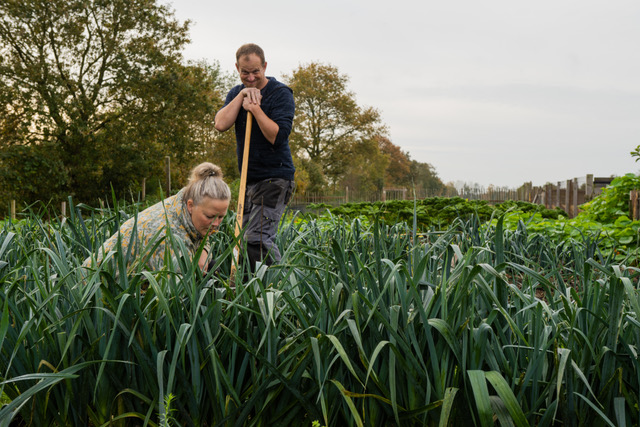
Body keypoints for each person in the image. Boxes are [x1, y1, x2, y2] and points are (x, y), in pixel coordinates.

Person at [214, 43, 295, 270]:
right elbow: (220, 124)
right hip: (249, 180)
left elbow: (276, 137)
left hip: (275, 177)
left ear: (265, 66)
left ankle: (277, 289)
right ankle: (247, 290)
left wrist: (255, 109)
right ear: (237, 69)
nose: (250, 77)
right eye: (245, 72)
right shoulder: (236, 93)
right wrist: (241, 96)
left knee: (258, 239)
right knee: (243, 240)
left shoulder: (280, 94)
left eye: (255, 71)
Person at [85, 162, 231, 272]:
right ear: (190, 205)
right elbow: (172, 296)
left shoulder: (186, 202)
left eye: (221, 217)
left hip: (149, 274)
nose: (216, 224)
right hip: (100, 291)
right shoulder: (167, 235)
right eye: (210, 216)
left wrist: (203, 252)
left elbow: (203, 235)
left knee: (211, 268)